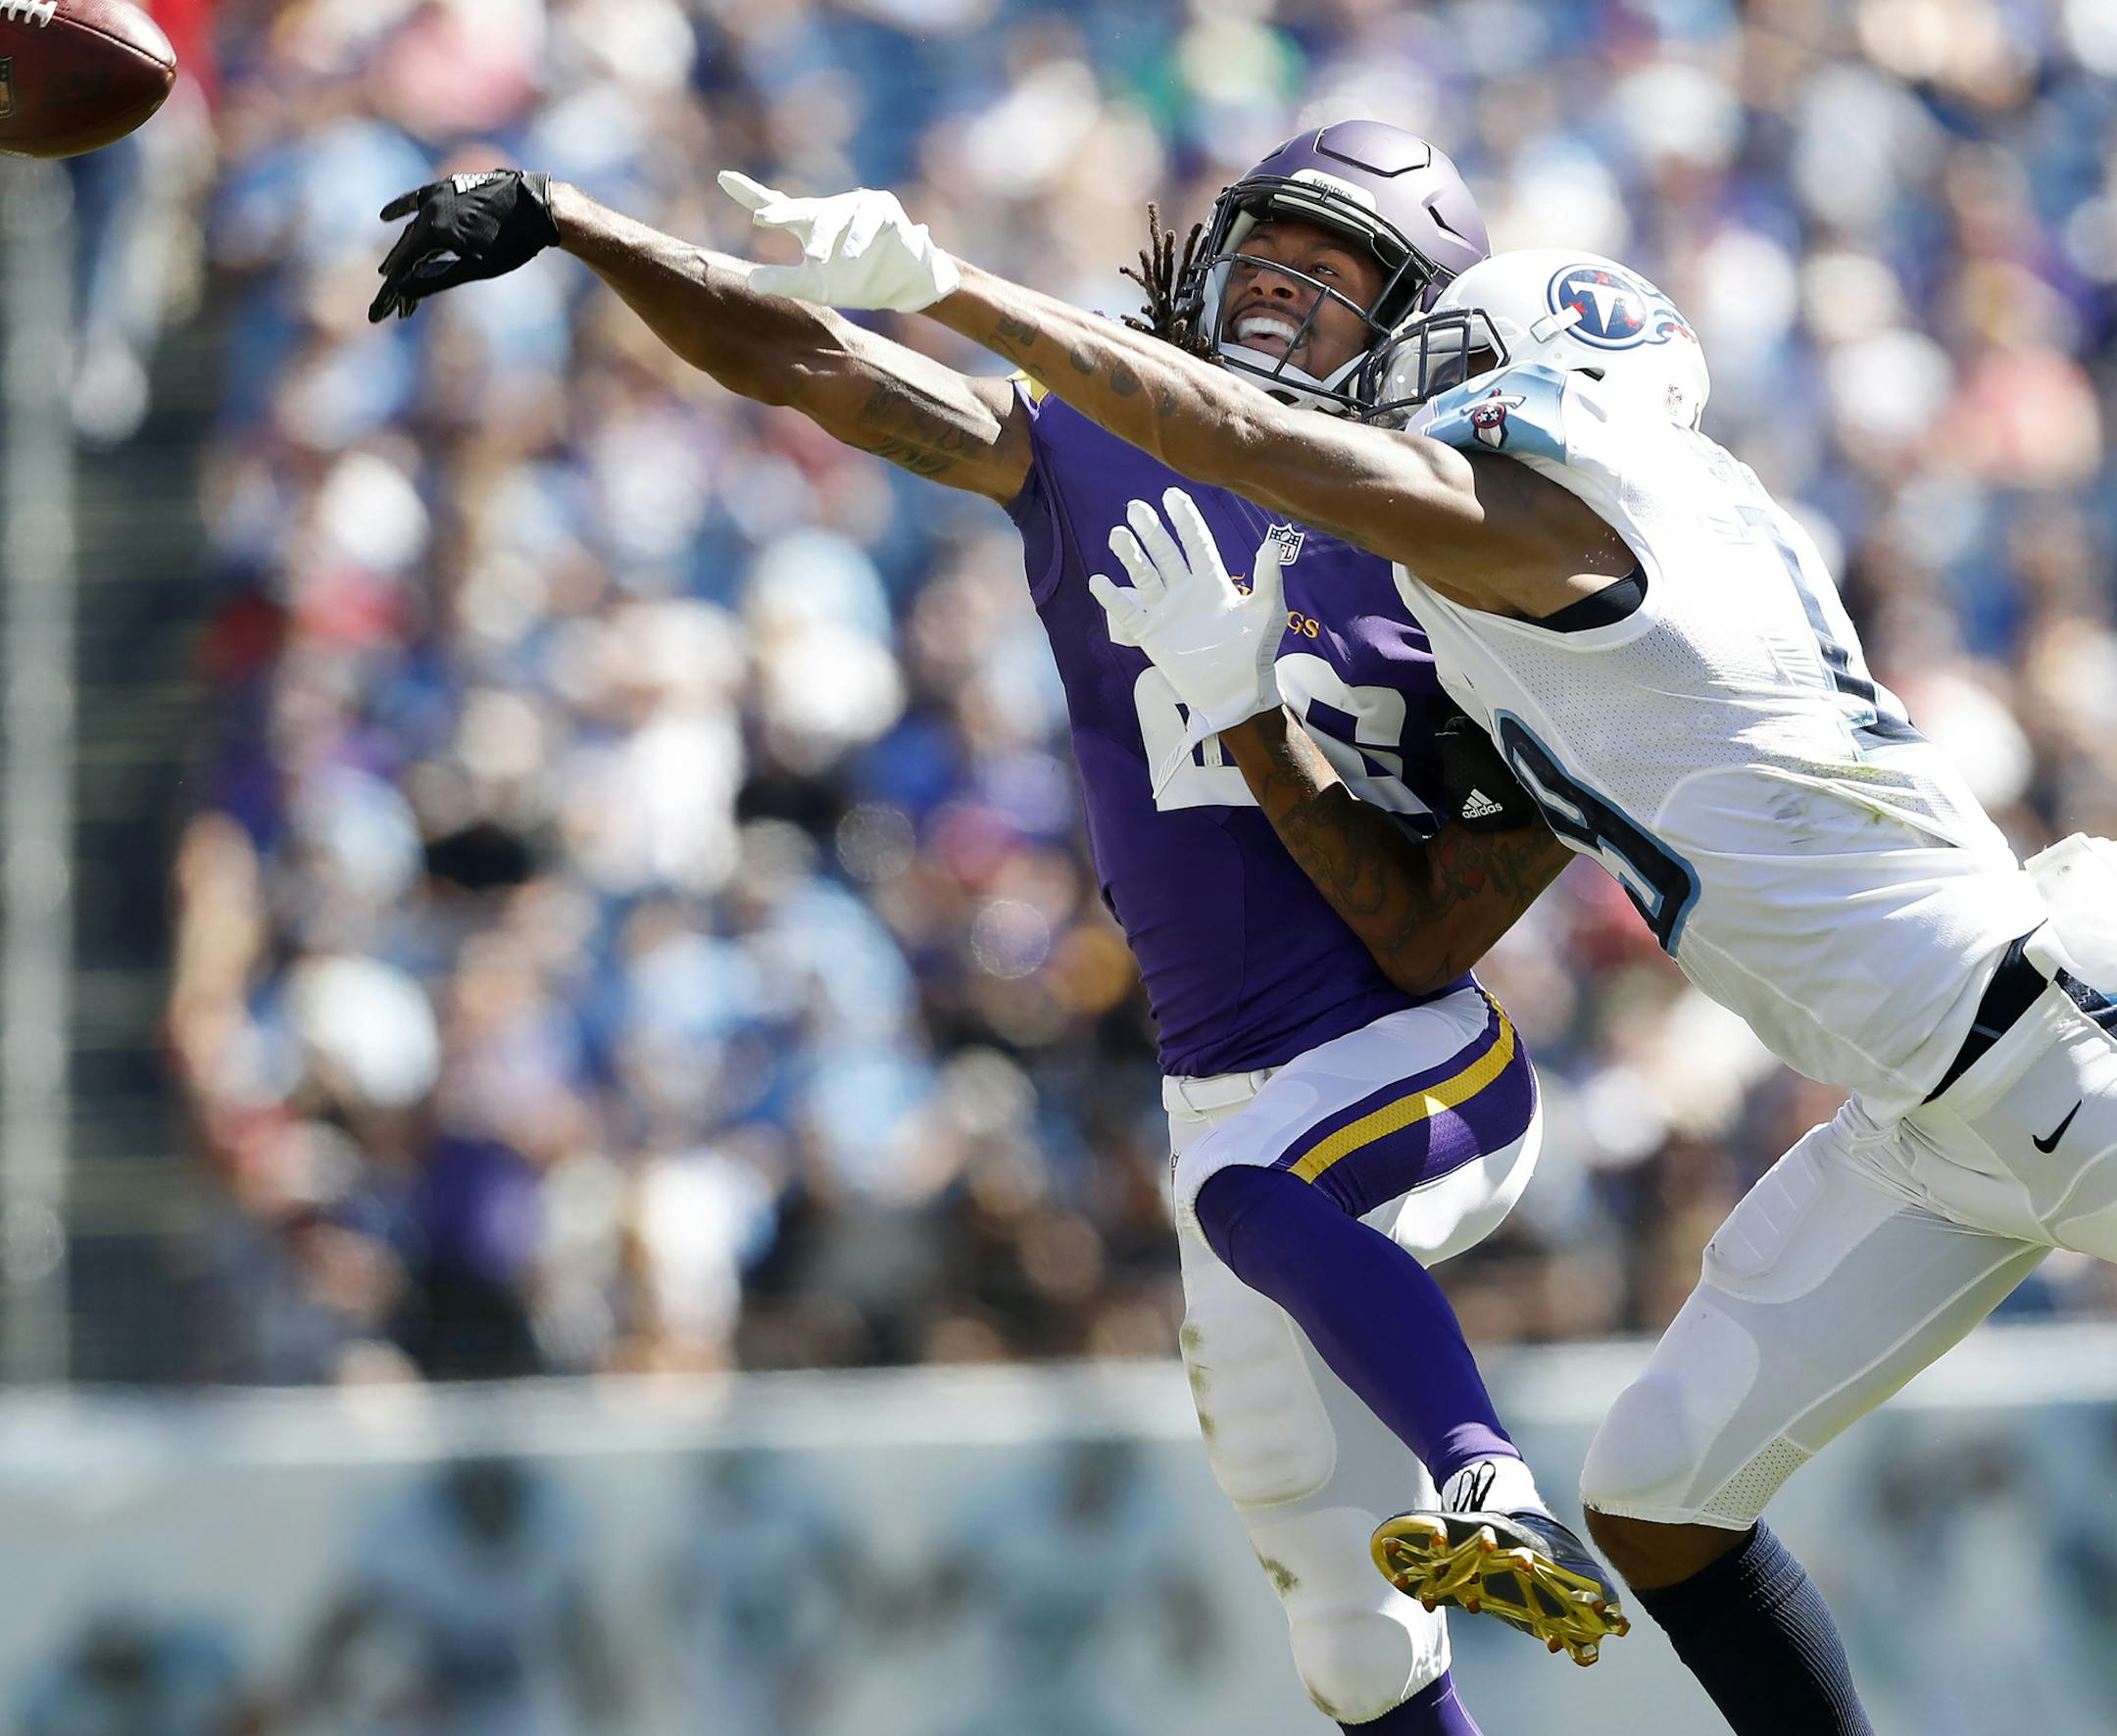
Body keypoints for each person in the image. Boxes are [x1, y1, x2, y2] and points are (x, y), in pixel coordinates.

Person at [725, 176, 2117, 1736]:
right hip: (1932, 1108)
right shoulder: (1614, 545)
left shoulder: (1548, 517)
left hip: (2062, 1048)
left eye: (1438, 370)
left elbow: (1245, 442)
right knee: (1661, 1499)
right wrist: (1250, 708)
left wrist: (958, 288)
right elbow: (1415, 902)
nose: (1407, 408)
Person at [369, 124, 1627, 1733]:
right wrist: (579, 222)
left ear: (1410, 330)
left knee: (1265, 1192)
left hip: (1414, 1061)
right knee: (1343, 1622)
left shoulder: (1461, 537)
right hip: (1223, 1094)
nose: (1282, 293)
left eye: (1337, 275)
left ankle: (1485, 1477)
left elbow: (1428, 942)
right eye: (1275, 249)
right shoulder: (1102, 443)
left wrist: (1257, 718)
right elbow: (817, 364)